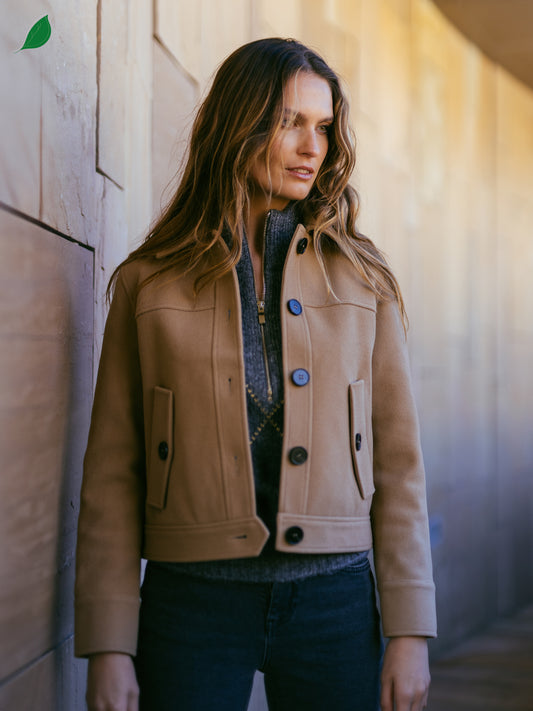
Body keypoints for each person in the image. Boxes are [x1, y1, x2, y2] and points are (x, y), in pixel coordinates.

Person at [75, 37, 437, 711]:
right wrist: (108, 644)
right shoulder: (146, 283)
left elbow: (399, 465)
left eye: (323, 127)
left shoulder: (364, 282)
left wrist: (410, 629)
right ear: (238, 124)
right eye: (289, 122)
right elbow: (111, 473)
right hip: (191, 606)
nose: (312, 146)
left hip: (335, 601)